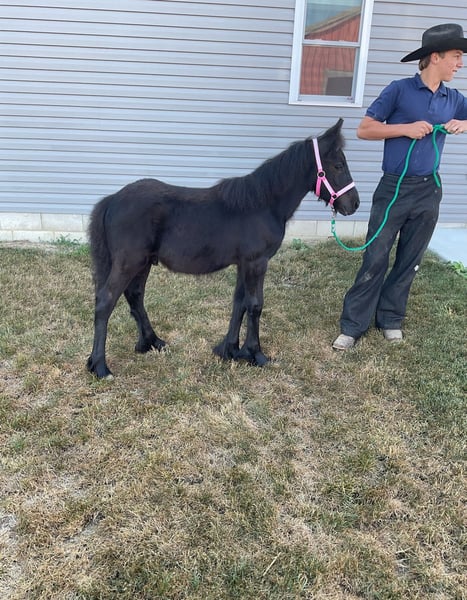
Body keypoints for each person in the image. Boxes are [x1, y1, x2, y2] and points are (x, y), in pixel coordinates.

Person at [333, 23, 467, 351]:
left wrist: (463, 123)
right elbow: (365, 129)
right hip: (393, 188)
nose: (460, 64)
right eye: (456, 56)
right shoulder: (399, 90)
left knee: (410, 259)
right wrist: (404, 129)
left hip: (429, 189)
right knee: (376, 257)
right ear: (435, 57)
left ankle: (391, 318)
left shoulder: (454, 98)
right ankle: (352, 326)